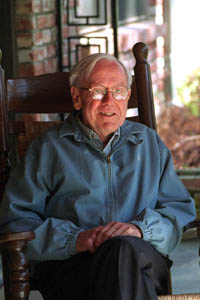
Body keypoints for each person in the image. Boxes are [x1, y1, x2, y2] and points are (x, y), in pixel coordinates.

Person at [0, 53, 196, 300]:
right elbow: (16, 221)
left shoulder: (148, 144)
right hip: (72, 267)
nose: (109, 101)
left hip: (142, 258)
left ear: (127, 96)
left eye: (119, 91)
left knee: (123, 251)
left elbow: (179, 212)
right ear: (76, 97)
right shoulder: (48, 149)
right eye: (98, 91)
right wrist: (76, 239)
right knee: (121, 263)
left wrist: (140, 230)